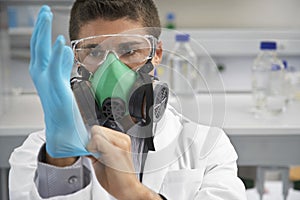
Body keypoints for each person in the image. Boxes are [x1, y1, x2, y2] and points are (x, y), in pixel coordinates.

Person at [8, 0, 246, 199]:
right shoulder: (36, 152)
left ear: (157, 54)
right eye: (95, 52)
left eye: (130, 51)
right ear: (76, 59)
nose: (112, 69)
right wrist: (60, 164)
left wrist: (135, 194)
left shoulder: (208, 147)